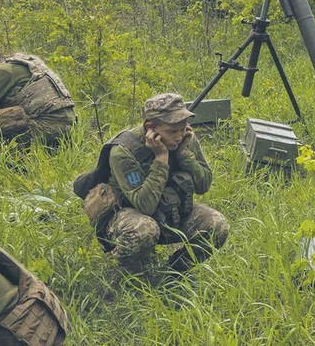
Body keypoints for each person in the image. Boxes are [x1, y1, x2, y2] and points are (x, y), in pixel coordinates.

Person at [72, 93, 229, 276]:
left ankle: (174, 274)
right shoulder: (124, 151)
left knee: (217, 225)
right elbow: (144, 205)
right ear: (150, 127)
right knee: (143, 230)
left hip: (170, 210)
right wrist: (161, 158)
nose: (179, 136)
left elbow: (204, 185)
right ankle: (127, 276)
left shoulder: (184, 138)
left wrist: (184, 156)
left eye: (182, 128)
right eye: (172, 131)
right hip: (128, 216)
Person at [0, 47, 76, 158]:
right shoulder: (25, 63)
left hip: (46, 125)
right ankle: (39, 158)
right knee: (9, 114)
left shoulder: (5, 70)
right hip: (67, 125)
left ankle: (15, 167)